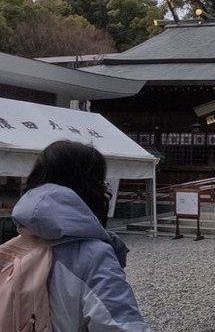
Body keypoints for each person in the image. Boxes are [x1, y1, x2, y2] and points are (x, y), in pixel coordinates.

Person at [10, 140, 150, 331]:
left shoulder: (15, 246)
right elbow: (120, 326)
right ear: (90, 187)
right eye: (102, 182)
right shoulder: (92, 255)